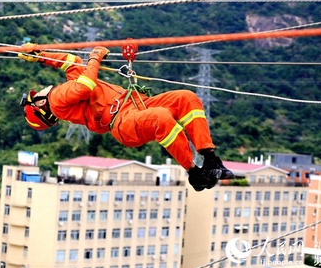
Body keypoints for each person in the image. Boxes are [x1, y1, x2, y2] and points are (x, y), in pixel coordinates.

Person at [18, 44, 233, 191]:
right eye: (36, 96)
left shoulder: (64, 92)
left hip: (134, 104)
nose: (41, 90)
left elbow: (72, 62)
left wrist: (41, 55)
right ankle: (194, 172)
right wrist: (96, 56)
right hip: (122, 120)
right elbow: (86, 86)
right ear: (40, 106)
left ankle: (211, 159)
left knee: (186, 98)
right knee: (161, 117)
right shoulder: (56, 99)